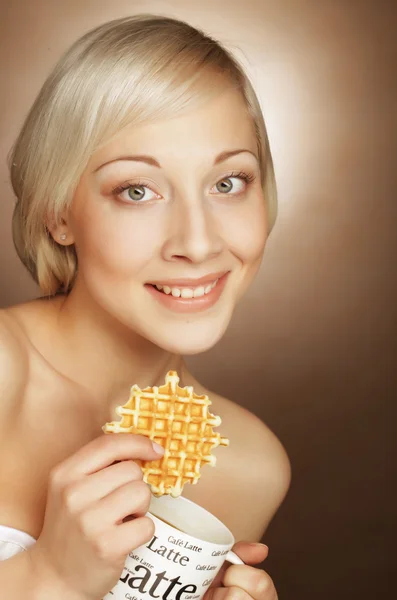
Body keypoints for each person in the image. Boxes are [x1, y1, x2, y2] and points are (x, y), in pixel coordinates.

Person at [0, 14, 291, 599]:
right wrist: (47, 577)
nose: (199, 243)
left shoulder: (252, 467)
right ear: (59, 215)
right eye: (137, 191)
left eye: (229, 182)